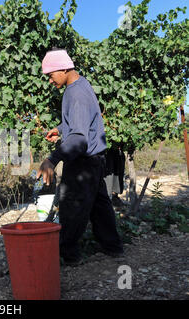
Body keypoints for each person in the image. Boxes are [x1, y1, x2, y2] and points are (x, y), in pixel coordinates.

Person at [37, 48, 124, 266]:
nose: (49, 80)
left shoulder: (74, 94)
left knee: (71, 207)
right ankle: (112, 247)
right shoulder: (82, 85)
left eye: (50, 75)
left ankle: (69, 256)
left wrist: (52, 159)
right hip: (96, 161)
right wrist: (60, 129)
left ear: (64, 68)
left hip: (83, 163)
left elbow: (78, 139)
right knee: (99, 205)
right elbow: (79, 122)